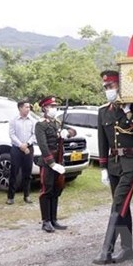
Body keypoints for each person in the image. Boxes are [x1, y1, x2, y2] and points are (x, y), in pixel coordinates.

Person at [93, 70, 133, 264]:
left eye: (111, 86)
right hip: (115, 165)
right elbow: (103, 142)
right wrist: (103, 167)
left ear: (120, 86)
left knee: (117, 204)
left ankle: (106, 250)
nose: (108, 90)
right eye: (106, 87)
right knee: (122, 205)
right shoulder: (103, 112)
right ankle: (127, 249)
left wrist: (128, 112)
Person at [35, 95, 76, 233]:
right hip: (48, 162)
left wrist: (67, 133)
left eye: (55, 106)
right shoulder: (40, 125)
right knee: (47, 190)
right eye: (51, 107)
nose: (54, 109)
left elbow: (73, 131)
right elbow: (43, 146)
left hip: (59, 159)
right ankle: (46, 221)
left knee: (56, 189)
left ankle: (54, 219)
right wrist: (52, 163)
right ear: (44, 108)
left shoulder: (57, 123)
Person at [7, 98, 36, 205]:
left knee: (27, 173)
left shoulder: (32, 120)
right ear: (20, 108)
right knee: (14, 172)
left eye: (29, 107)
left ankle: (27, 195)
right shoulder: (14, 120)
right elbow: (12, 134)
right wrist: (21, 145)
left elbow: (34, 135)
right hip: (16, 148)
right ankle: (10, 197)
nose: (28, 109)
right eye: (26, 107)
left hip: (29, 148)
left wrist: (27, 144)